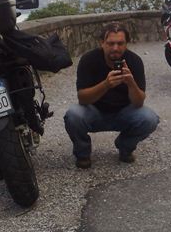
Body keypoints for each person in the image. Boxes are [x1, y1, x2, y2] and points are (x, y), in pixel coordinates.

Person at [64, 22, 159, 169]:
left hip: (123, 113)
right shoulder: (89, 60)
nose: (115, 48)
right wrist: (106, 85)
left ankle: (125, 147)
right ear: (102, 43)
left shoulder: (134, 61)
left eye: (120, 43)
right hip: (94, 112)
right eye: (111, 43)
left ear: (126, 44)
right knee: (73, 115)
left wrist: (131, 83)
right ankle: (83, 153)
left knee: (150, 118)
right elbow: (82, 99)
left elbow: (139, 103)